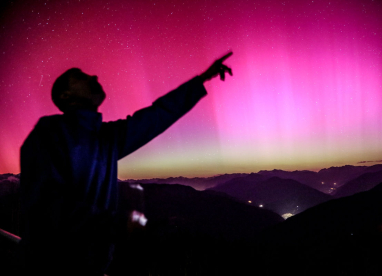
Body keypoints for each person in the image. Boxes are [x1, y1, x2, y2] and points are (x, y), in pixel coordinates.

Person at [18, 52, 233, 276]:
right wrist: (120, 225)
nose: (93, 76)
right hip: (49, 269)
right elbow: (49, 205)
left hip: (91, 268)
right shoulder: (49, 134)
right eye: (80, 77)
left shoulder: (107, 137)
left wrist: (202, 79)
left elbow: (156, 116)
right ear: (66, 96)